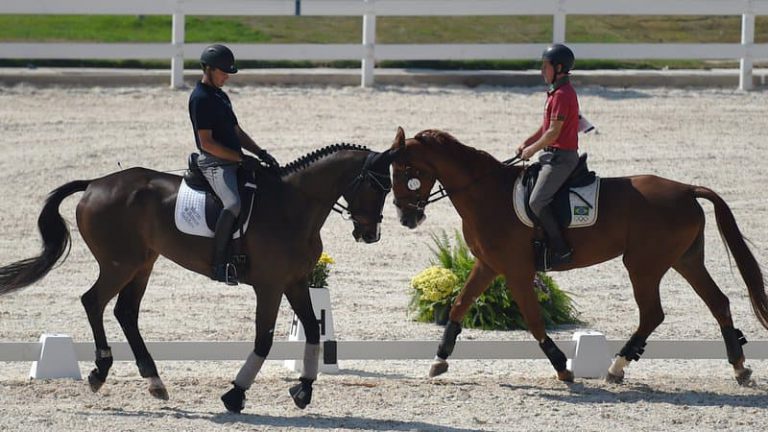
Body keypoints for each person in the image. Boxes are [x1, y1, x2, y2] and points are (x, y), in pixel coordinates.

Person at [189, 44, 279, 285]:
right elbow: (206, 143)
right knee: (233, 204)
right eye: (223, 71)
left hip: (233, 159)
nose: (227, 76)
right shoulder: (200, 99)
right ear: (208, 69)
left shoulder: (220, 95)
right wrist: (240, 158)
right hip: (215, 163)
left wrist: (260, 152)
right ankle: (218, 263)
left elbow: (236, 131)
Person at [516, 43, 580, 268]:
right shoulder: (554, 92)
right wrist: (528, 141)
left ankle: (561, 248)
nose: (542, 70)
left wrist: (532, 150)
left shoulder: (563, 94)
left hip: (562, 158)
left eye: (546, 66)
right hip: (550, 155)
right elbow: (546, 128)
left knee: (537, 200)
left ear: (559, 67)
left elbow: (554, 133)